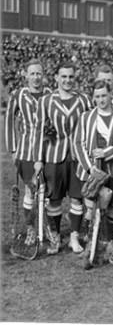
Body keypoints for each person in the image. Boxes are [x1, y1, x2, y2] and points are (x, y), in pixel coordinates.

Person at [33, 62, 93, 254]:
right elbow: (38, 131)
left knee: (77, 199)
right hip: (53, 156)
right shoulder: (46, 101)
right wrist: (38, 159)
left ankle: (74, 237)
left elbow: (91, 126)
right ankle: (55, 237)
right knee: (55, 200)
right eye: (64, 77)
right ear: (56, 78)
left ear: (75, 78)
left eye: (71, 77)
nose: (67, 81)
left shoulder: (83, 100)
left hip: (77, 158)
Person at [74, 81, 113, 255]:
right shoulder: (86, 117)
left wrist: (106, 152)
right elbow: (78, 143)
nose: (101, 100)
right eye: (97, 96)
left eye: (104, 96)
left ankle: (110, 241)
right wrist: (89, 167)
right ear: (93, 97)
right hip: (93, 171)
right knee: (91, 208)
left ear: (111, 95)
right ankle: (91, 243)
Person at [5, 59, 52, 244]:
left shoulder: (50, 94)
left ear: (43, 75)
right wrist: (13, 148)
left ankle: (45, 227)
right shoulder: (19, 94)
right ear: (26, 75)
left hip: (47, 151)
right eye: (32, 73)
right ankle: (31, 229)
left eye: (38, 73)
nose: (35, 77)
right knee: (30, 190)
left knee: (46, 191)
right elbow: (8, 120)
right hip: (25, 151)